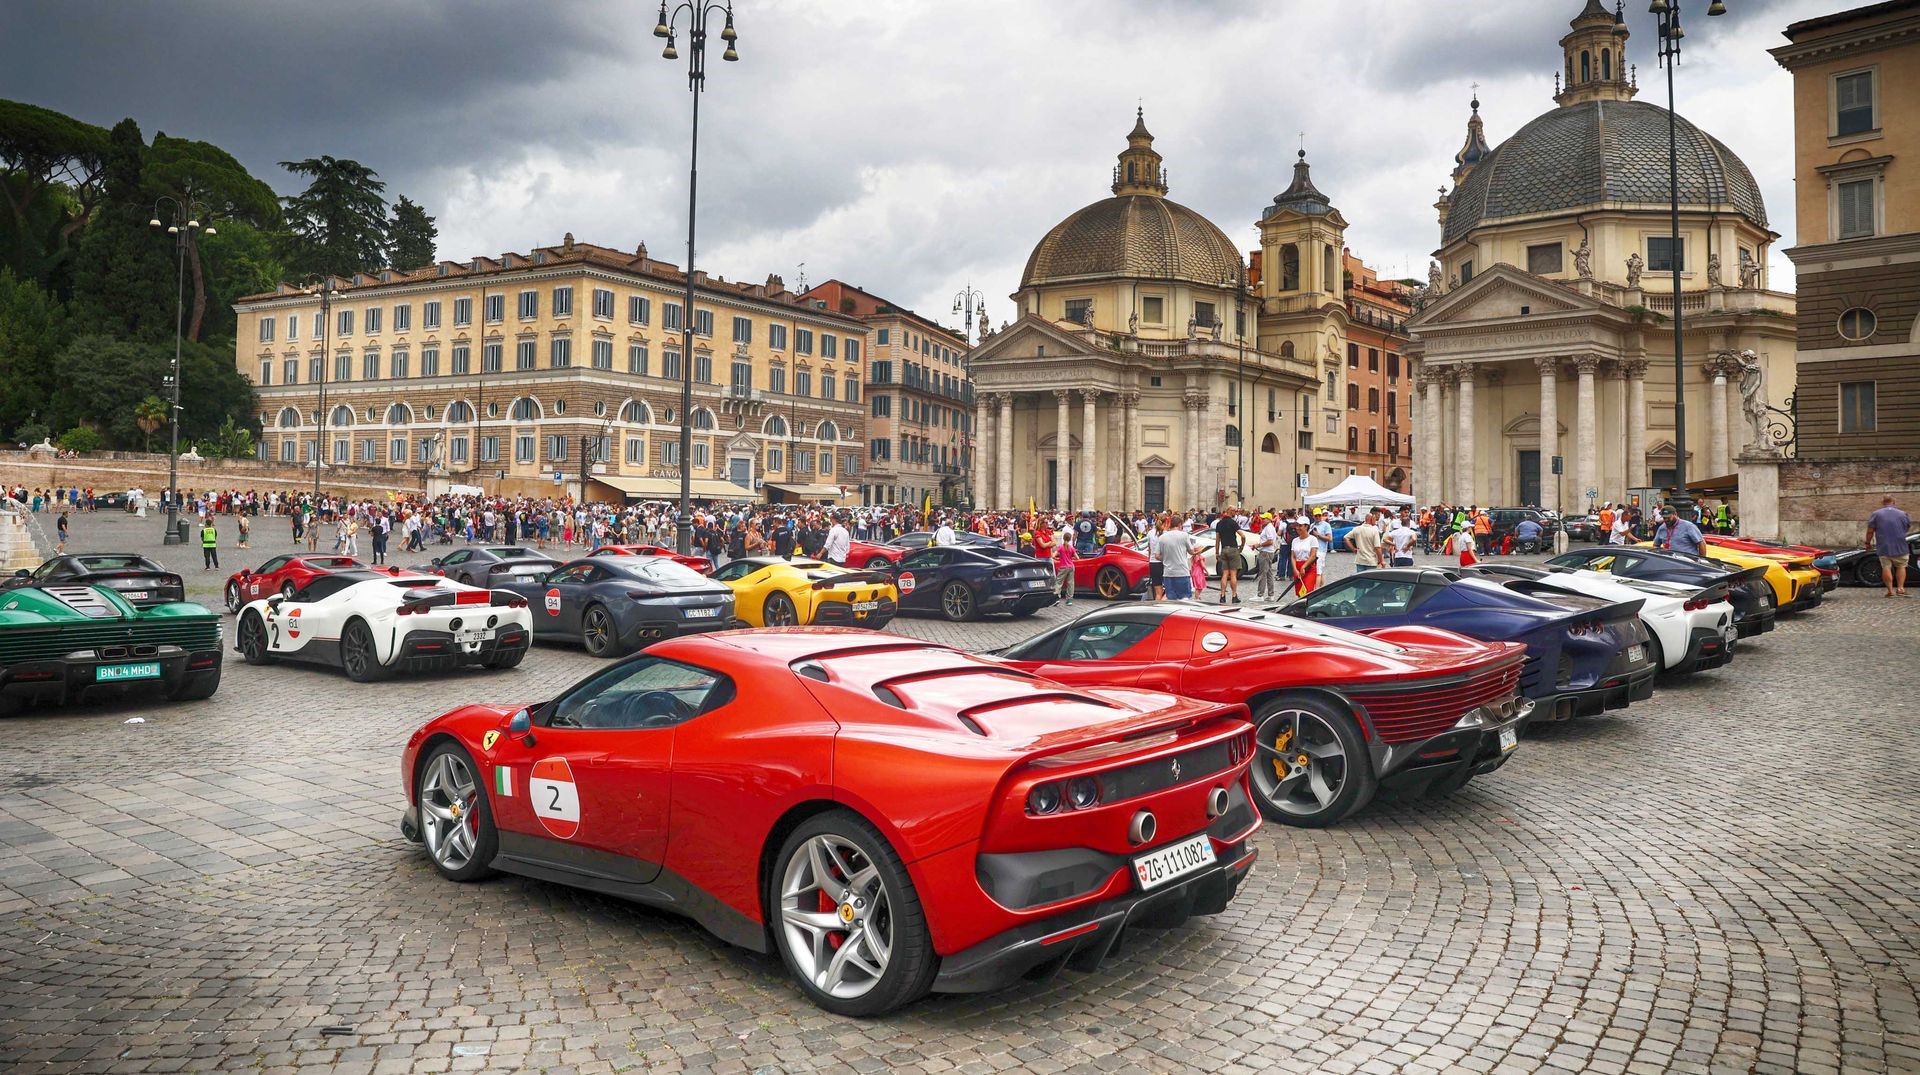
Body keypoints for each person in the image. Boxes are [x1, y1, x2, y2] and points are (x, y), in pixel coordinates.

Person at [1866, 494, 1912, 598]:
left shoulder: (1876, 514)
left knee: (1886, 567)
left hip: (1884, 545)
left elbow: (1870, 531)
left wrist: (1867, 543)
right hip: (1901, 545)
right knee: (1901, 566)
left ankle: (1890, 591)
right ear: (1894, 502)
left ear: (1883, 502)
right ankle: (1900, 589)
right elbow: (1907, 527)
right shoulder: (1903, 514)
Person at [1157, 518, 1197, 601]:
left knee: (1171, 599)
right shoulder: (1184, 535)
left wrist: (1166, 558)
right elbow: (1191, 552)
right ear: (1179, 525)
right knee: (1185, 598)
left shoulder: (1162, 537)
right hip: (1182, 572)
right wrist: (1199, 550)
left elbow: (1157, 556)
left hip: (1168, 573)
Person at [1213, 509, 1243, 603]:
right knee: (1233, 574)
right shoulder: (1233, 523)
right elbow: (1243, 536)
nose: (1236, 513)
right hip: (1233, 549)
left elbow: (1217, 540)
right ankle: (1234, 596)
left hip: (1224, 549)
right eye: (1235, 511)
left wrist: (1217, 552)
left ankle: (1222, 595)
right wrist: (1241, 546)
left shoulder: (1219, 523)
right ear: (1230, 511)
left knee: (1225, 574)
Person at [1253, 512, 1281, 600]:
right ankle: (1270, 594)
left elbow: (1270, 541)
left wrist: (1259, 545)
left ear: (1269, 519)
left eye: (1264, 518)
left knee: (1263, 573)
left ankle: (1260, 595)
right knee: (1268, 573)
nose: (1262, 520)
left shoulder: (1269, 528)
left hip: (1266, 552)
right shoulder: (1269, 527)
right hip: (1268, 552)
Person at [1289, 519, 1320, 596]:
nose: (1297, 528)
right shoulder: (1295, 541)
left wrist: (1304, 566)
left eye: (1300, 526)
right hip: (1298, 567)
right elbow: (1293, 556)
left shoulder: (1313, 539)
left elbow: (1313, 555)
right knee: (1299, 592)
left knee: (1307, 590)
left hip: (1308, 567)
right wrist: (1295, 569)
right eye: (1297, 526)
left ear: (1306, 526)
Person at [1053, 537, 1078, 606]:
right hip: (1071, 567)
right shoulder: (1071, 548)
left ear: (1063, 539)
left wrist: (1057, 557)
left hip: (1063, 567)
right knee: (1070, 583)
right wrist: (1070, 558)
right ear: (1070, 539)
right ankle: (1069, 600)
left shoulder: (1060, 547)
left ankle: (1056, 598)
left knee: (1059, 582)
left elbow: (1053, 555)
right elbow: (1077, 557)